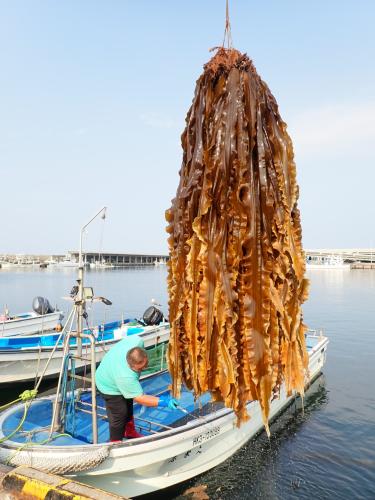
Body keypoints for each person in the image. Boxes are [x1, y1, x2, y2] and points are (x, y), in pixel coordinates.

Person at [96, 334, 179, 442]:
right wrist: (164, 401)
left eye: (145, 364)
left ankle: (129, 432)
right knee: (120, 412)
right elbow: (140, 398)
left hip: (111, 368)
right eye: (140, 369)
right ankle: (115, 442)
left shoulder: (137, 341)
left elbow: (134, 339)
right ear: (131, 365)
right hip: (107, 385)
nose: (144, 368)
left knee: (128, 403)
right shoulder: (125, 376)